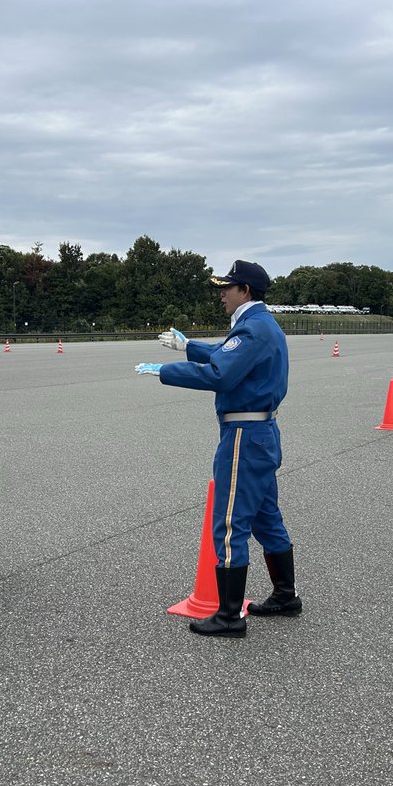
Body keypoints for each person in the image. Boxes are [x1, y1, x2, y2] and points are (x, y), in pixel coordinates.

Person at [135, 259, 298, 638]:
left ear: (245, 291)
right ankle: (286, 595)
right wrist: (188, 346)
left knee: (228, 523)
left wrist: (165, 370)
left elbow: (221, 374)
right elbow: (228, 356)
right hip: (261, 433)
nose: (221, 293)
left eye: (227, 287)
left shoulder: (252, 328)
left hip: (243, 435)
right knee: (265, 517)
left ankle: (228, 616)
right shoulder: (260, 325)